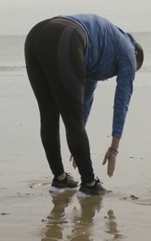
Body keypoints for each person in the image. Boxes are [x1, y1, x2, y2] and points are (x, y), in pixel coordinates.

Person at [24, 14, 144, 196]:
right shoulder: (128, 52)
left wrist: (78, 144)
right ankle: (89, 184)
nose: (129, 74)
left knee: (49, 115)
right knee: (70, 121)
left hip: (35, 35)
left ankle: (60, 179)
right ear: (136, 56)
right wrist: (114, 148)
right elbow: (122, 102)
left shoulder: (106, 46)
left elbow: (84, 98)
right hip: (65, 36)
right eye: (133, 71)